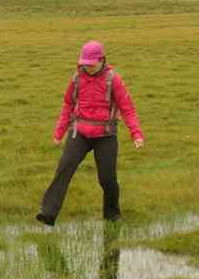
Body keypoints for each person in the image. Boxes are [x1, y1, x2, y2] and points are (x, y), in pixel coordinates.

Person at [37, 40, 144, 226]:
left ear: (102, 60)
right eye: (84, 64)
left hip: (106, 134)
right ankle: (48, 213)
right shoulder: (76, 79)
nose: (87, 67)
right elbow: (68, 105)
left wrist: (136, 134)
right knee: (64, 168)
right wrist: (59, 132)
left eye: (91, 64)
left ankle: (112, 215)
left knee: (107, 178)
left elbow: (128, 109)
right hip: (79, 132)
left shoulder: (113, 80)